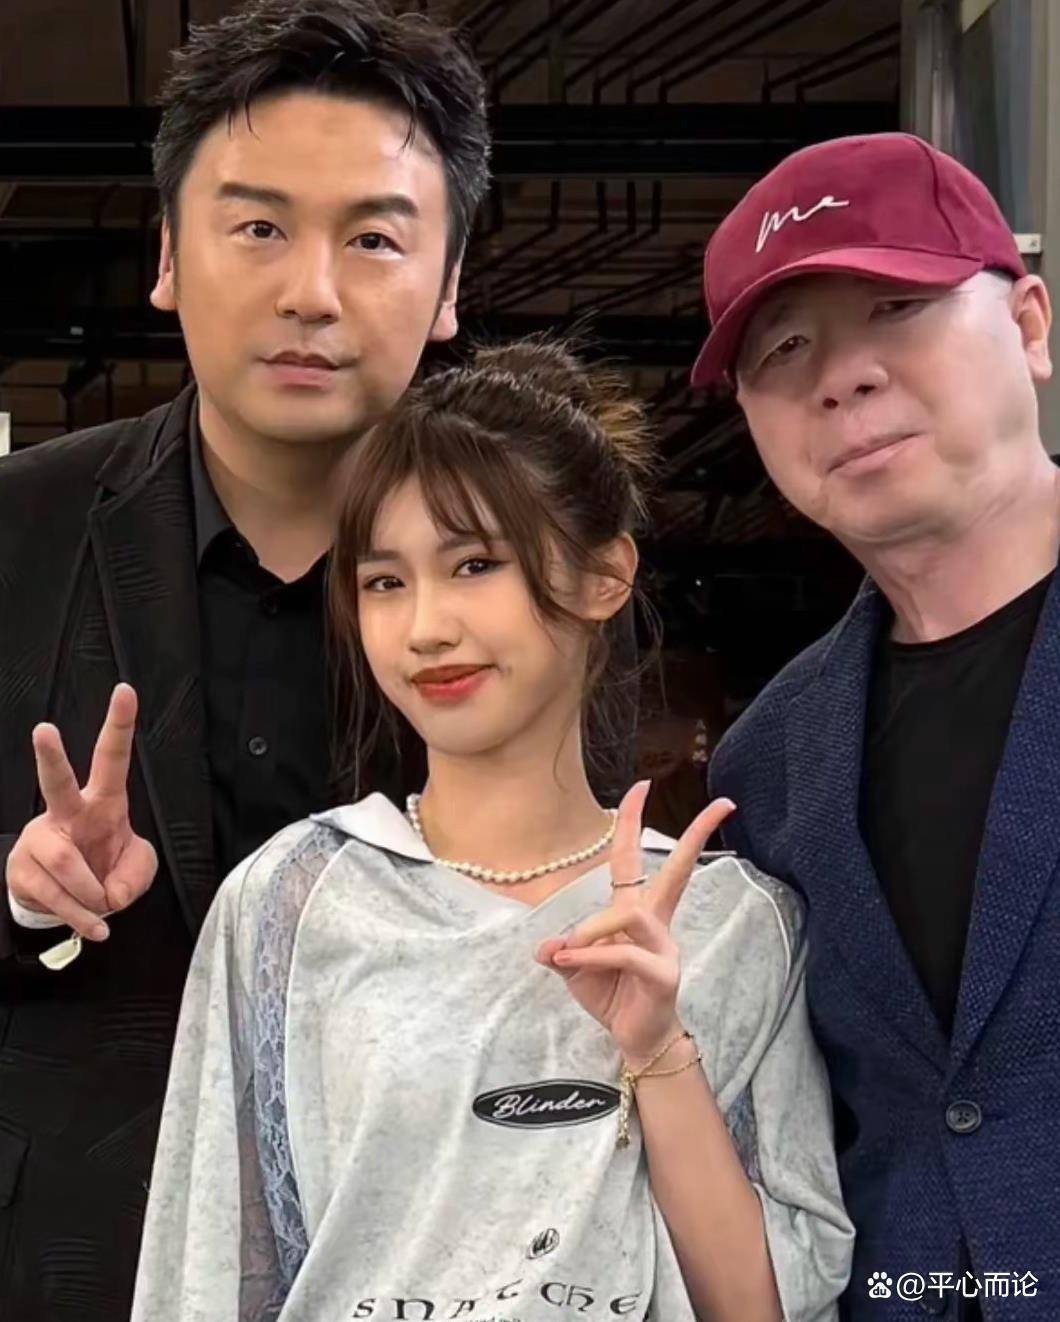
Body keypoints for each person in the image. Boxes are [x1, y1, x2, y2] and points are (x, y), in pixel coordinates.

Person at [130, 337, 853, 1322]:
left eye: (474, 564)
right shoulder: (292, 902)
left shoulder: (732, 922)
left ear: (605, 575)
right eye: (384, 581)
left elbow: (766, 1303)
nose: (425, 626)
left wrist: (657, 1049)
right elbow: (210, 1269)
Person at [0, 3, 490, 1318]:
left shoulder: (531, 575)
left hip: (434, 1256)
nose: (310, 292)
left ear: (448, 285)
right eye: (259, 227)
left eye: (373, 238)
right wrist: (26, 897)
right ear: (169, 254)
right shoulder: (18, 535)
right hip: (78, 1259)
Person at [698, 132, 1060, 1320]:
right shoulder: (765, 763)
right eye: (783, 349)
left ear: (1029, 324)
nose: (841, 378)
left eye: (896, 307)